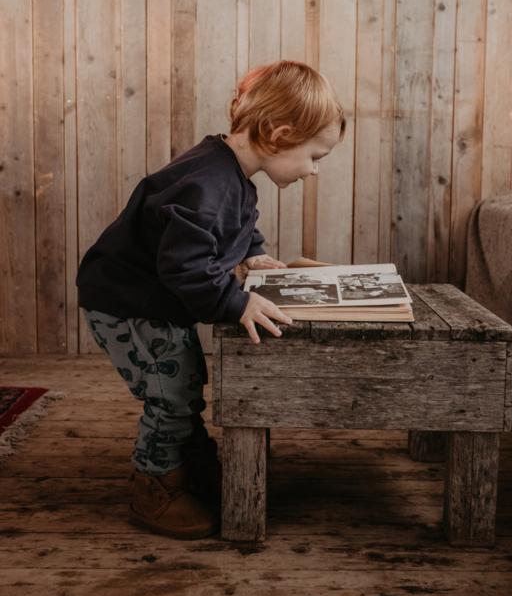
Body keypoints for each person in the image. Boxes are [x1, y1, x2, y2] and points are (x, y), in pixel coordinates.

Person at [76, 59, 345, 540]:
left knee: (184, 379)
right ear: (278, 134)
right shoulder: (208, 181)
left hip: (152, 301)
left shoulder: (229, 171)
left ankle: (190, 461)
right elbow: (183, 264)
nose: (314, 171)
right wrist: (237, 304)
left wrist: (254, 256)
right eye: (314, 156)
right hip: (128, 302)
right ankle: (154, 483)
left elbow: (233, 225)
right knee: (168, 390)